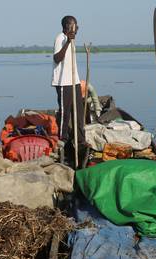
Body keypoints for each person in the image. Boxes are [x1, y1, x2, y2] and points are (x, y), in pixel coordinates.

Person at [52, 16, 86, 158]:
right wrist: (68, 42)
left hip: (74, 81)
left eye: (77, 25)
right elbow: (57, 58)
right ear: (67, 26)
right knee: (65, 113)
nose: (77, 27)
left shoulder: (72, 39)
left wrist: (72, 40)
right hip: (63, 82)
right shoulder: (61, 38)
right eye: (74, 25)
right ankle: (63, 140)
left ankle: (80, 140)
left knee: (78, 111)